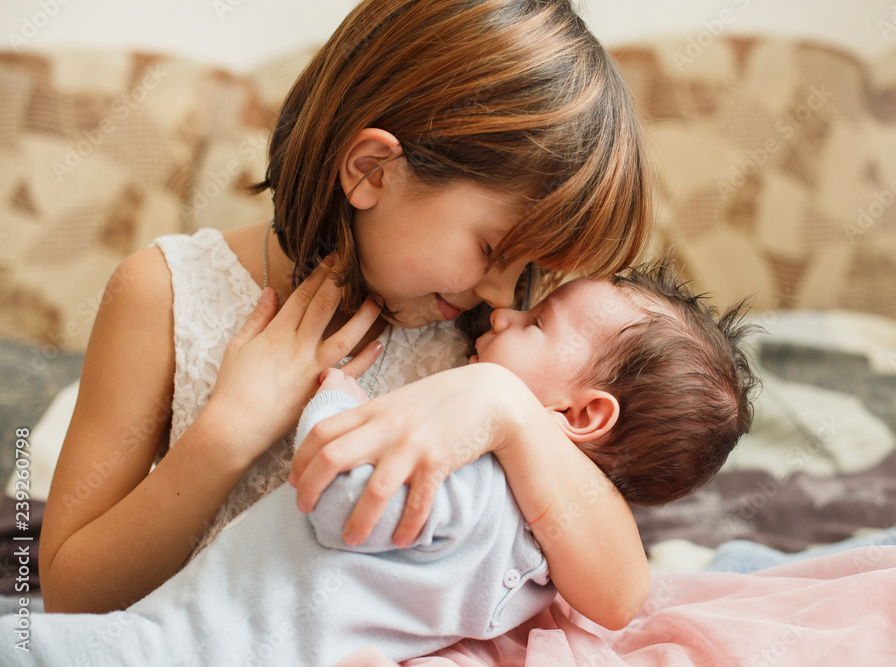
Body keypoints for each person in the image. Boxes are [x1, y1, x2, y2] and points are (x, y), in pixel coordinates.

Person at [37, 0, 652, 631]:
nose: (506, 298)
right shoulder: (161, 294)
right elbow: (71, 601)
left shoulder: (492, 347)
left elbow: (619, 593)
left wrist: (510, 409)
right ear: (371, 170)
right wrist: (229, 434)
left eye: (529, 272)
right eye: (493, 250)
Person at [0, 264, 756, 666]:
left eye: (535, 316)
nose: (500, 304)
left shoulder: (485, 475)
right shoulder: (543, 531)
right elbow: (66, 587)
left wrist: (337, 395)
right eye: (493, 246)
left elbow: (349, 498)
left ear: (583, 414)